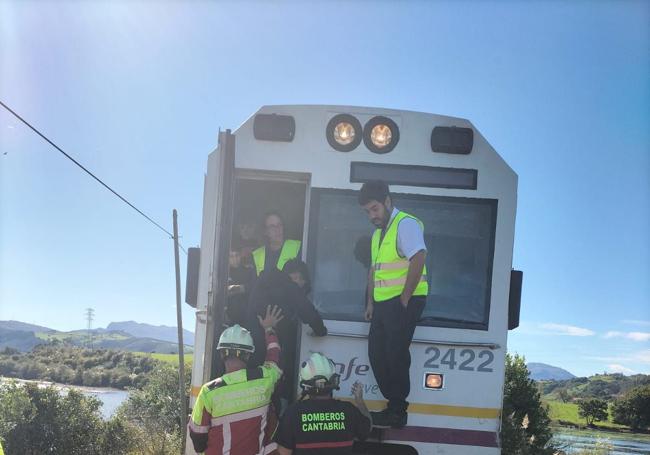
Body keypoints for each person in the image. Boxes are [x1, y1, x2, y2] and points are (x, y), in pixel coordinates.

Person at [358, 180, 428, 428]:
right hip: (383, 303)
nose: (372, 215)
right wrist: (370, 302)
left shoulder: (405, 224)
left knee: (396, 353)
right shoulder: (378, 234)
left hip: (405, 300)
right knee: (376, 353)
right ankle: (393, 404)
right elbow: (374, 270)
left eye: (375, 209)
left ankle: (398, 411)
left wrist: (405, 298)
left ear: (387, 201)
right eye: (367, 211)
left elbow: (419, 258)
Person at [188, 306, 284, 455]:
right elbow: (274, 356)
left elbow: (198, 441)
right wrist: (269, 328)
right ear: (248, 356)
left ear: (221, 354)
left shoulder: (209, 391)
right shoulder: (265, 379)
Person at [247, 263, 327, 412]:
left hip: (252, 351)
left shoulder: (259, 286)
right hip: (274, 349)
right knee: (279, 388)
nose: (298, 282)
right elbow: (309, 313)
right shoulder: (289, 287)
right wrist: (321, 331)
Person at [275, 353, 372, 454]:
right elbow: (367, 429)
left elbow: (283, 453)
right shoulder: (349, 410)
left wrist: (297, 402)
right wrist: (360, 401)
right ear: (334, 381)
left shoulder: (292, 414)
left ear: (305, 385)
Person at [252, 212, 301, 276]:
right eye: (272, 226)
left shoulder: (297, 247)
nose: (277, 229)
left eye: (279, 225)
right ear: (265, 231)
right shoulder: (257, 255)